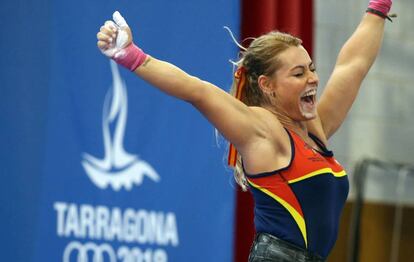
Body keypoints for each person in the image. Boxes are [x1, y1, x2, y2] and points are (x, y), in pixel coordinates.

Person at [96, 0, 393, 261]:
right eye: (298, 73)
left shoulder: (315, 129)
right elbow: (197, 91)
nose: (313, 79)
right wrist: (131, 56)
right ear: (267, 85)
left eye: (312, 68)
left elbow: (352, 66)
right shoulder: (263, 130)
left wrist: (379, 6)